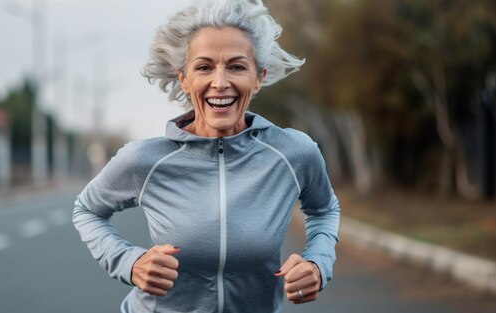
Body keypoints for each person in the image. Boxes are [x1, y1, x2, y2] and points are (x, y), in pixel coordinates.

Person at [72, 0, 340, 312]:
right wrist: (130, 262)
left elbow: (324, 210)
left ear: (258, 78)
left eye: (237, 67)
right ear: (184, 79)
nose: (220, 82)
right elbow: (87, 210)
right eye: (204, 67)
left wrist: (317, 264)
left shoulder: (293, 153)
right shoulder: (144, 159)